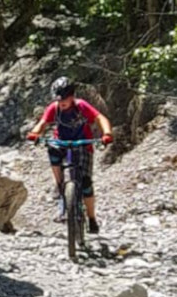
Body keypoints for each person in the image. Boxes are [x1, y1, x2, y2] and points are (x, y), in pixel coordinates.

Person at [26, 77, 114, 233]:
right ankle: (60, 185)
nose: (61, 102)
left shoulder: (81, 106)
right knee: (52, 148)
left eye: (65, 98)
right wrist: (34, 133)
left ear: (72, 95)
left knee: (86, 183)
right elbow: (43, 123)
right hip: (62, 142)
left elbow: (100, 118)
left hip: (82, 143)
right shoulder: (54, 108)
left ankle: (92, 218)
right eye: (59, 99)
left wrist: (106, 133)